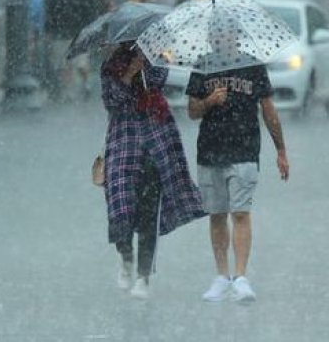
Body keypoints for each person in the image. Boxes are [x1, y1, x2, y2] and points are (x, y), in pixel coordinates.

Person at [100, 42, 204, 300]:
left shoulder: (154, 60)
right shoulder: (109, 67)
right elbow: (112, 101)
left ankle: (144, 275)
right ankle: (126, 257)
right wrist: (127, 74)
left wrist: (143, 66)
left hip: (156, 136)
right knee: (120, 204)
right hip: (124, 138)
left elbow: (158, 81)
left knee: (149, 214)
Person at [186, 62, 289, 303]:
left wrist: (281, 150)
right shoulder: (203, 65)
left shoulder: (253, 66)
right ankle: (222, 277)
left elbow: (268, 108)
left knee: (241, 213)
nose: (224, 37)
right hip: (210, 152)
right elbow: (192, 110)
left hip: (245, 150)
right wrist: (209, 101)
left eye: (230, 33)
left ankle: (241, 277)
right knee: (217, 214)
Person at [46, 0, 95, 101]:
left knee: (80, 63)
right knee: (64, 65)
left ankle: (86, 85)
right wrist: (49, 32)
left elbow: (89, 14)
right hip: (61, 35)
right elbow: (51, 14)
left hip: (78, 35)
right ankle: (68, 91)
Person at [27, 0, 47, 83]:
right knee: (30, 53)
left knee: (34, 54)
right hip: (28, 25)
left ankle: (34, 77)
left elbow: (38, 5)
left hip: (35, 26)